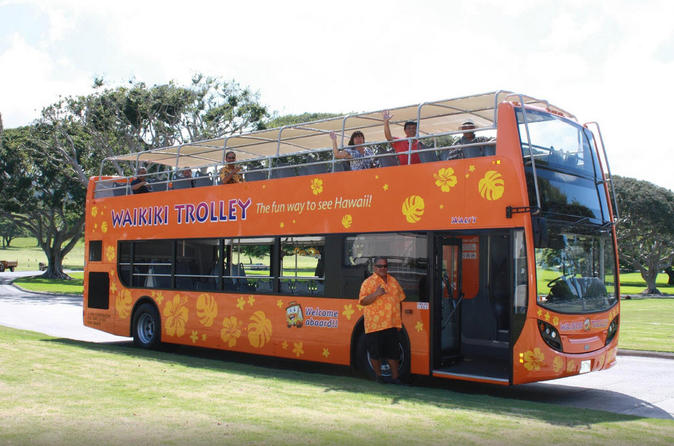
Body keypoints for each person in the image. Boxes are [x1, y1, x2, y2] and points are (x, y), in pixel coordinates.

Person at [358, 257, 406, 384]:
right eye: (380, 266)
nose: (383, 268)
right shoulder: (368, 283)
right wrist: (376, 294)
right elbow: (362, 301)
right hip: (375, 325)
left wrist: (399, 320)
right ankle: (379, 377)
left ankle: (396, 378)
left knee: (393, 354)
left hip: (391, 324)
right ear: (374, 268)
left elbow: (400, 300)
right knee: (375, 353)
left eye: (385, 266)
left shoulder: (393, 281)